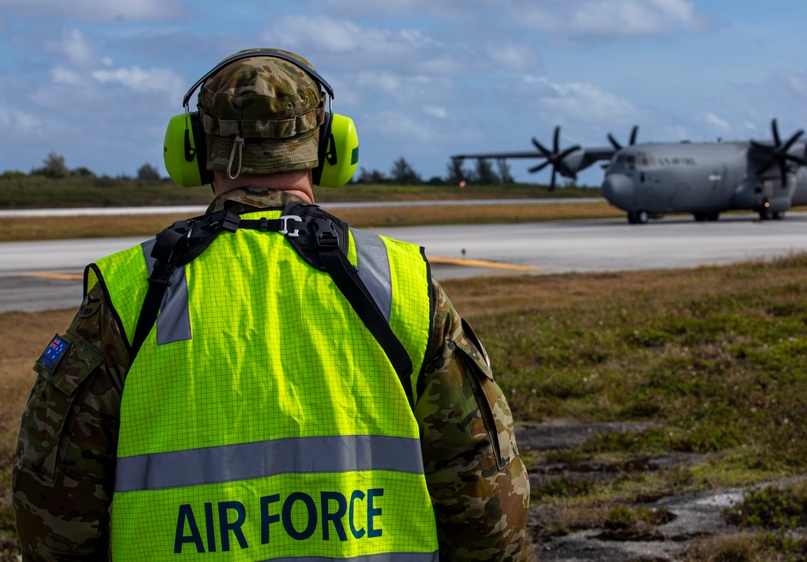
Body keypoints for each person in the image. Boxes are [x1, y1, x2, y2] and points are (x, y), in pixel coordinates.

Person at [12, 48, 529, 561]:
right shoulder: (401, 286)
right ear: (329, 148)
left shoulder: (130, 293)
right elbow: (486, 499)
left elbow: (53, 511)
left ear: (192, 150)